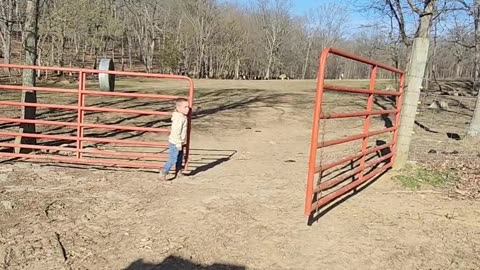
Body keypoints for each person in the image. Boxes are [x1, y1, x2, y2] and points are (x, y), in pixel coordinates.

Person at [159, 98, 190, 180]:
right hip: (176, 142)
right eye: (185, 107)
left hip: (179, 142)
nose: (188, 109)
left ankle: (178, 171)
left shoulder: (182, 117)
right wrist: (178, 144)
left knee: (180, 157)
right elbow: (176, 132)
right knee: (173, 158)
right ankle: (163, 173)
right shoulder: (179, 118)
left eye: (188, 107)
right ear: (178, 108)